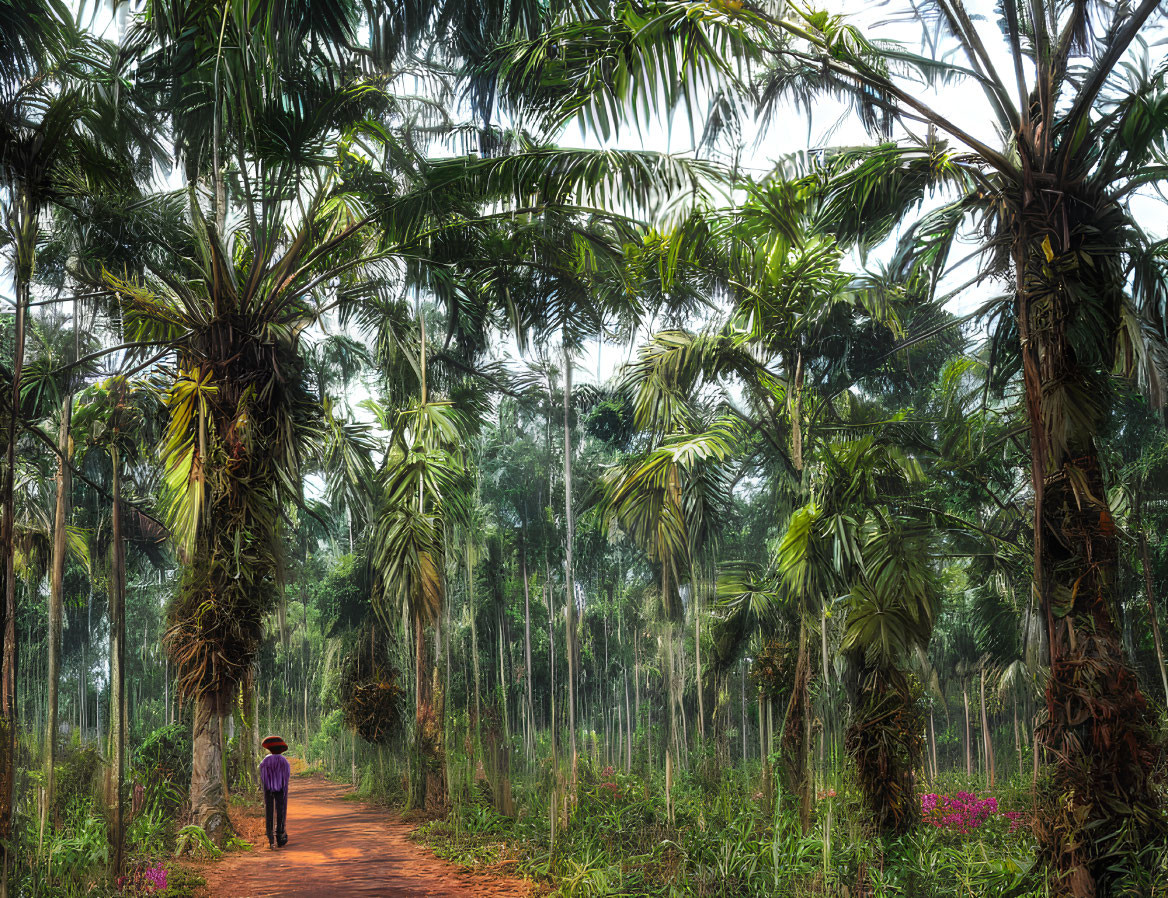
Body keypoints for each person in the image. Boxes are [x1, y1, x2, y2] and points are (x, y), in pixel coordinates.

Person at [259, 735, 291, 849]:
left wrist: (269, 785)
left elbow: (263, 777)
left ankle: (270, 839)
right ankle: (280, 837)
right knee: (281, 811)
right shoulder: (284, 761)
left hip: (268, 789)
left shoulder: (265, 761)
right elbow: (286, 777)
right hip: (281, 789)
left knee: (269, 811)